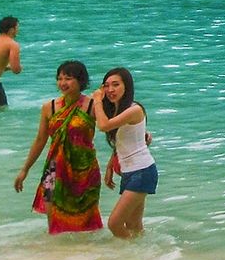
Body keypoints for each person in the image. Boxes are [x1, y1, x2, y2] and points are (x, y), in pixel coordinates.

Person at [14, 61, 102, 233]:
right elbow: (40, 140)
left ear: (80, 81)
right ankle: (55, 255)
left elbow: (112, 127)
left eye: (68, 78)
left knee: (85, 221)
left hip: (84, 170)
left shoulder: (92, 106)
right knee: (53, 219)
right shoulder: (50, 108)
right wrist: (25, 170)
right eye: (59, 78)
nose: (63, 83)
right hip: (54, 168)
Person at [92, 68, 155, 239]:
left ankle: (132, 252)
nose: (110, 90)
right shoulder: (117, 110)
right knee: (133, 225)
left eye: (115, 85)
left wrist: (97, 99)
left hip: (142, 171)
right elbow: (123, 142)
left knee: (114, 223)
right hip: (130, 171)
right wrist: (110, 166)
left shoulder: (134, 109)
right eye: (106, 86)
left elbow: (104, 126)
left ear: (126, 86)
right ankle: (145, 256)